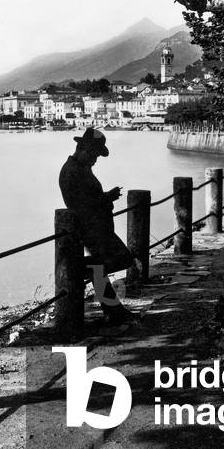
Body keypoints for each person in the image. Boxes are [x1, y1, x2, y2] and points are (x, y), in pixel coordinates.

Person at [59, 127, 136, 324]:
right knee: (122, 259)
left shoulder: (81, 169)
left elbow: (88, 200)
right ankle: (78, 268)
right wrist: (107, 197)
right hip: (90, 228)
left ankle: (113, 311)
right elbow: (81, 205)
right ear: (83, 149)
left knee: (111, 262)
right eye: (94, 154)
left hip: (97, 226)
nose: (95, 159)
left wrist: (105, 198)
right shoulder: (72, 172)